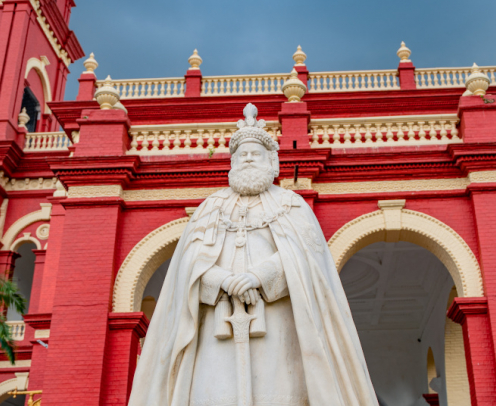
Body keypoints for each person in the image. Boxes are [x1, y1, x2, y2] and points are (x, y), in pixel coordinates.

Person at [128, 104, 379, 406]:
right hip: (216, 325)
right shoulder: (211, 207)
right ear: (232, 163)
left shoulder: (291, 204)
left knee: (281, 394)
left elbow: (306, 261)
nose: (247, 159)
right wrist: (221, 279)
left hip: (278, 324)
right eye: (241, 155)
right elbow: (188, 262)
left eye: (255, 154)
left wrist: (257, 277)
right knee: (211, 395)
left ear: (271, 161)